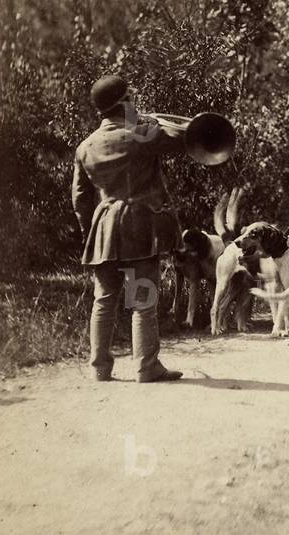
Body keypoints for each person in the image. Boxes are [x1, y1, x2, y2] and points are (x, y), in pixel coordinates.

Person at [72, 75, 185, 382]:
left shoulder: (85, 147)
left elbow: (81, 200)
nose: (136, 102)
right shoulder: (140, 134)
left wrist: (88, 233)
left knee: (105, 298)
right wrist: (148, 120)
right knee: (142, 299)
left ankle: (100, 368)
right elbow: (183, 136)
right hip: (137, 225)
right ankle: (146, 367)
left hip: (103, 226)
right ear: (123, 103)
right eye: (131, 98)